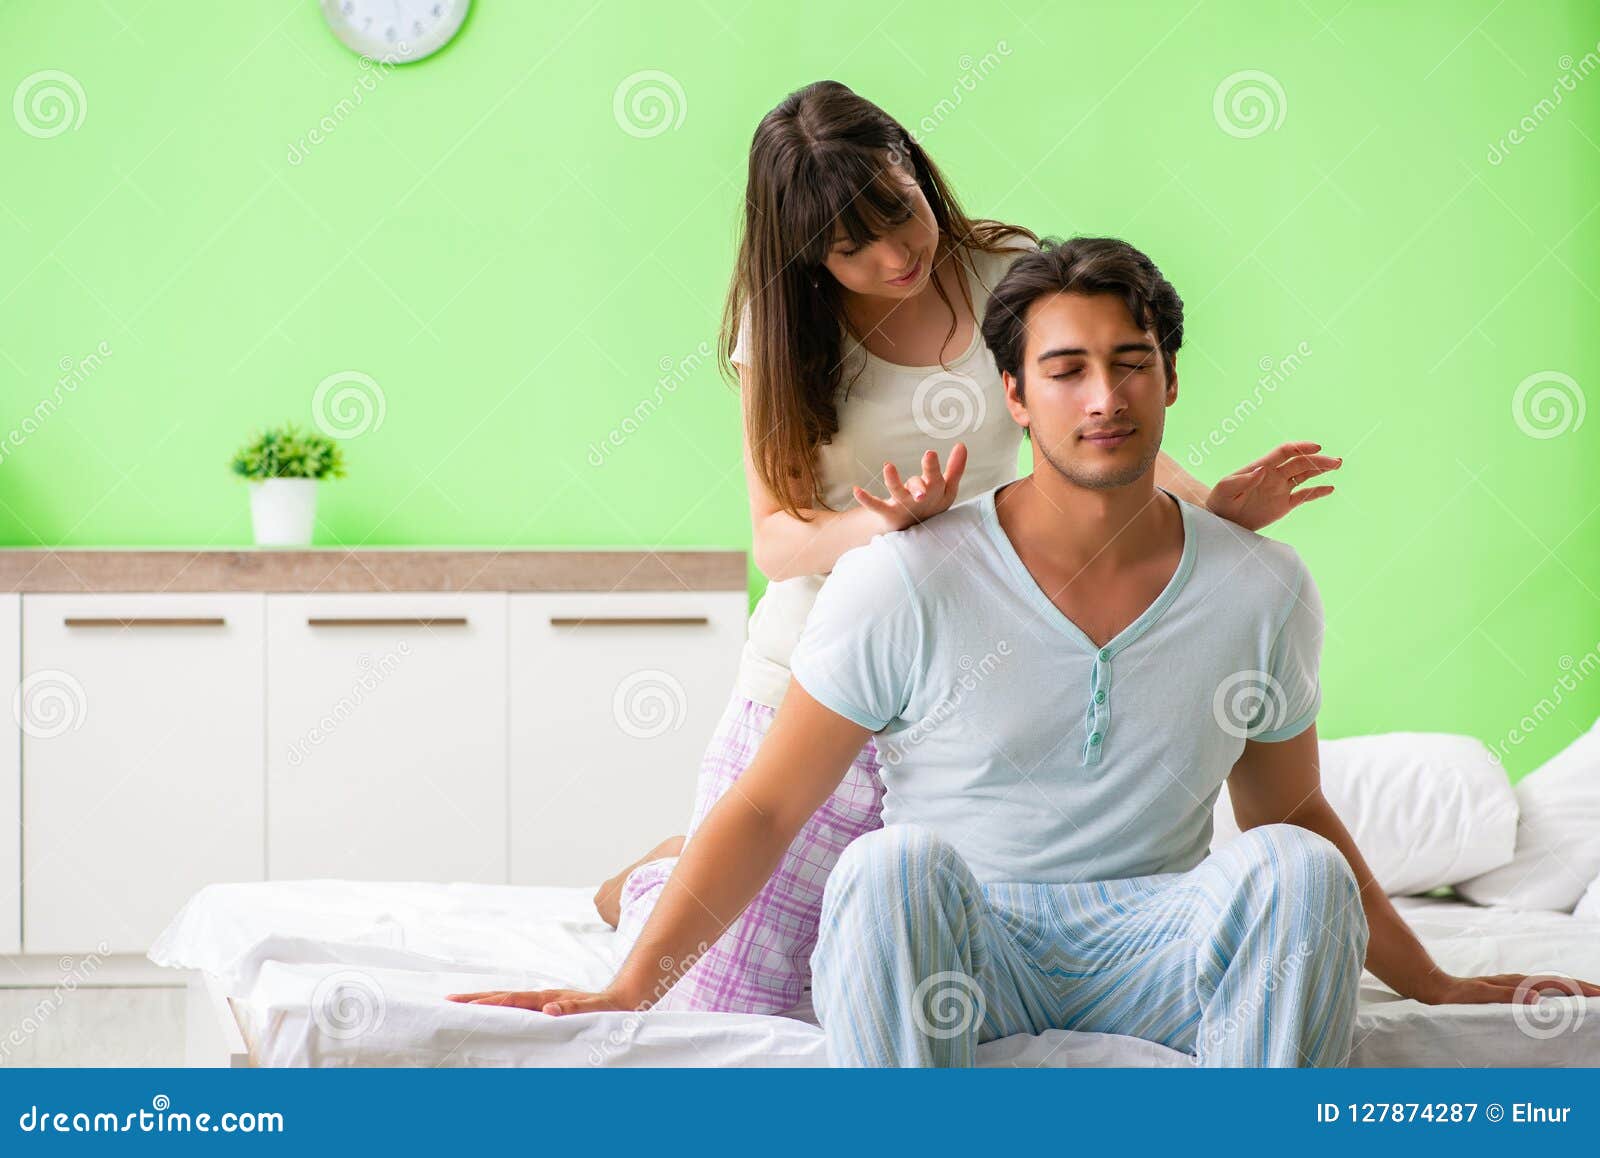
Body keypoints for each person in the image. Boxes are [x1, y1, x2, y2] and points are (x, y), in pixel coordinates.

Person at [449, 235, 1600, 1065]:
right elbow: (762, 810)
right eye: (1066, 369)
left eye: (1131, 361)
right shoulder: (903, 576)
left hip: (1158, 939)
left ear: (1170, 378)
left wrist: (1437, 982)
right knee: (884, 866)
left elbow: (1292, 816)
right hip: (966, 941)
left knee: (1293, 873)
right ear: (1014, 394)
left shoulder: (1261, 586)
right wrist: (624, 988)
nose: (1104, 395)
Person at [596, 78, 1340, 1016]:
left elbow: (1094, 426)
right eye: (849, 247)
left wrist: (1213, 506)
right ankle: (652, 882)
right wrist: (890, 526)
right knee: (747, 1003)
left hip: (977, 660)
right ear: (804, 254)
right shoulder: (783, 327)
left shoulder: (1004, 268)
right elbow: (777, 541)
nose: (895, 254)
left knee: (880, 955)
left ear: (911, 164)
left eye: (899, 215)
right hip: (826, 665)